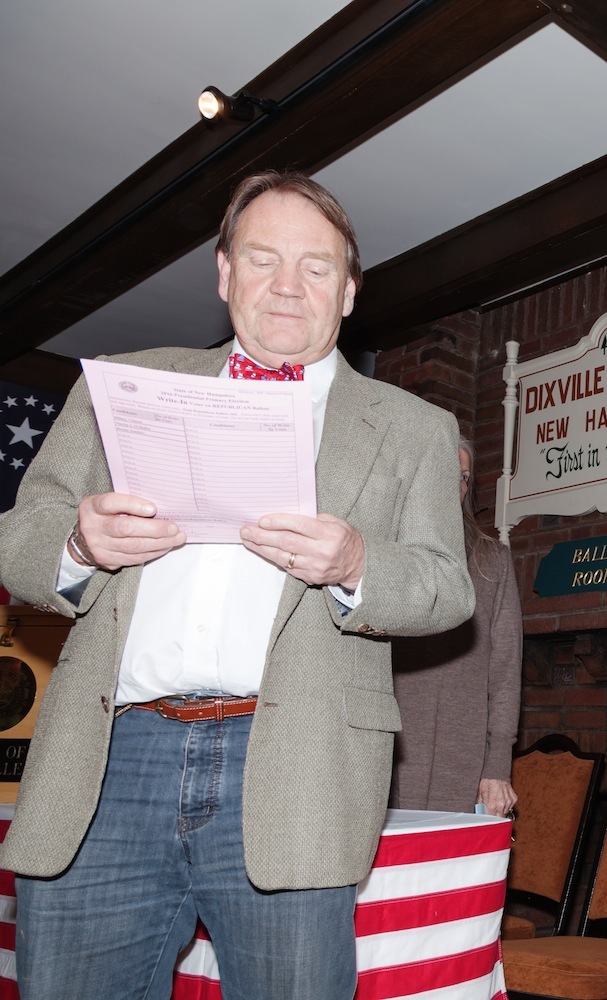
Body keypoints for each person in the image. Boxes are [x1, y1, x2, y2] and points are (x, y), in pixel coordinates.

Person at [0, 170, 475, 1000]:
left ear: (350, 291)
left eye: (317, 267)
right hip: (110, 762)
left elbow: (447, 590)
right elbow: (17, 537)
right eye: (262, 259)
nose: (288, 286)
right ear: (224, 275)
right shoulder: (123, 385)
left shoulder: (416, 429)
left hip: (300, 767)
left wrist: (359, 564)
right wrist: (80, 540)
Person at [390, 438, 523, 816]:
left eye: (464, 477)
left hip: (460, 755)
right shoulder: (387, 551)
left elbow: (505, 673)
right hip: (389, 750)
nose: (458, 487)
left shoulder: (491, 561)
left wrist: (497, 764)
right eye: (447, 475)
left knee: (444, 870)